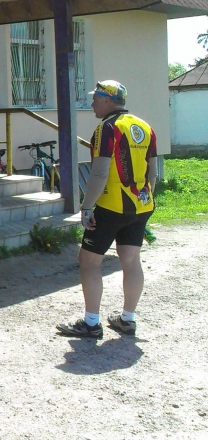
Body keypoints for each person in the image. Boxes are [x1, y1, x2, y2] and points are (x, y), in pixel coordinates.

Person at [57, 80, 157, 338]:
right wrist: (143, 202)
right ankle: (127, 319)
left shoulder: (107, 128)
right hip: (141, 204)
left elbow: (100, 172)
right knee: (131, 260)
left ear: (106, 99)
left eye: (94, 99)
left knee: (89, 261)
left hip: (112, 205)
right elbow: (152, 172)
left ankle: (91, 323)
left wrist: (86, 207)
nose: (91, 104)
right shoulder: (144, 126)